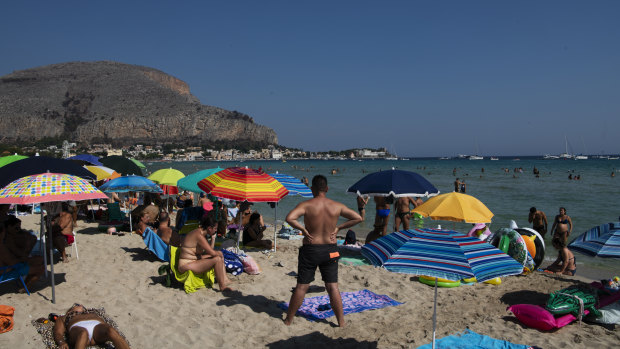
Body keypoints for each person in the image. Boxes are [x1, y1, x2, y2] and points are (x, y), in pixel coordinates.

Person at [283, 175, 362, 327]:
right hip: (331, 250)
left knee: (302, 286)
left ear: (312, 188)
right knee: (332, 286)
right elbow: (358, 218)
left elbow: (289, 218)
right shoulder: (336, 205)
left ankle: (288, 320)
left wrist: (304, 230)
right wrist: (338, 227)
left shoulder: (306, 205)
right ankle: (341, 322)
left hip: (311, 249)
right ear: (327, 189)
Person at [177, 214, 233, 292]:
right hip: (185, 265)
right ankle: (222, 286)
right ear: (209, 228)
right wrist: (219, 254)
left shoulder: (201, 233)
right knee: (217, 258)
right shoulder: (198, 235)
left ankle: (225, 279)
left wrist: (213, 239)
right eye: (215, 228)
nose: (216, 231)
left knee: (219, 254)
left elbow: (210, 251)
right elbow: (212, 253)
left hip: (194, 260)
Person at [52, 303, 130, 349]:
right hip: (78, 330)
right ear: (70, 310)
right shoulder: (64, 317)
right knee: (83, 333)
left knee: (111, 330)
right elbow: (57, 332)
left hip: (97, 330)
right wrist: (61, 342)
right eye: (77, 305)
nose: (81, 305)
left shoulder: (92, 313)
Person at [1, 217, 44, 291]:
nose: (18, 230)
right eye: (16, 228)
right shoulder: (4, 244)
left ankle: (24, 282)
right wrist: (25, 259)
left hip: (8, 266)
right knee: (41, 269)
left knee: (39, 259)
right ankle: (24, 288)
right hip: (6, 271)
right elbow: (12, 262)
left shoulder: (6, 240)